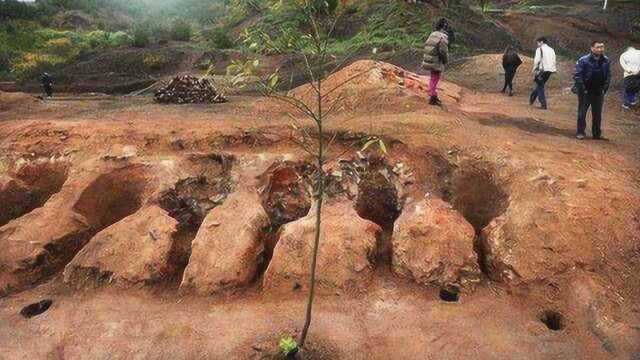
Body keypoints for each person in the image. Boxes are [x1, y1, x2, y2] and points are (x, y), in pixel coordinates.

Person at [572, 41, 611, 140]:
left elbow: (608, 76)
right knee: (582, 113)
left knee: (597, 114)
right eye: (598, 47)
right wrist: (583, 89)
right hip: (586, 91)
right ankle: (580, 132)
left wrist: (604, 89)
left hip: (599, 91)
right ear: (592, 48)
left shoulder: (606, 60)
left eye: (602, 47)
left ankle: (596, 133)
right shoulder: (583, 60)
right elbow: (577, 75)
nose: (600, 49)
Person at [422, 18, 450, 106]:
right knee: (435, 78)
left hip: (429, 59)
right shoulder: (442, 37)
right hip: (436, 60)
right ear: (444, 27)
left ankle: (433, 94)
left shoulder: (432, 34)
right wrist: (445, 60)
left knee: (433, 78)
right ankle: (433, 97)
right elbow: (443, 51)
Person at [529, 37, 557, 110]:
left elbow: (536, 61)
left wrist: (534, 69)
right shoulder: (552, 49)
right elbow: (554, 60)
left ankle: (543, 104)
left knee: (540, 86)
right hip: (550, 70)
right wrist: (553, 69)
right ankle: (532, 98)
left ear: (541, 42)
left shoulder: (539, 49)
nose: (537, 44)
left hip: (542, 70)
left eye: (538, 42)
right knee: (540, 84)